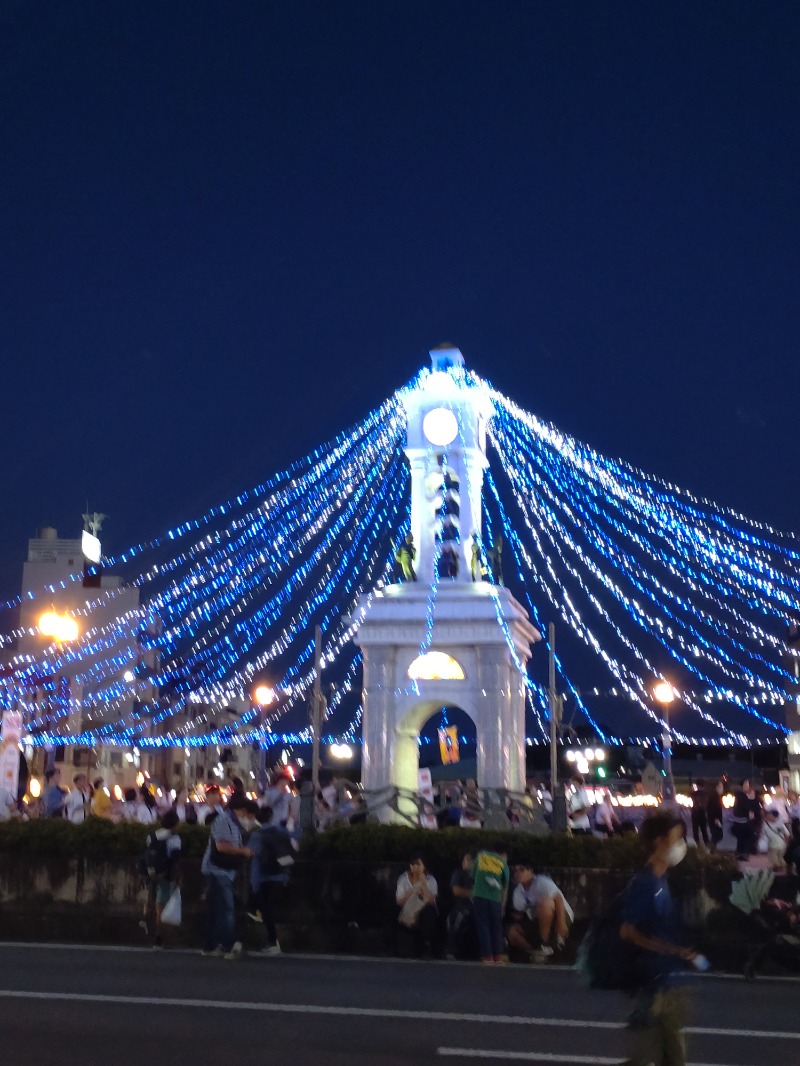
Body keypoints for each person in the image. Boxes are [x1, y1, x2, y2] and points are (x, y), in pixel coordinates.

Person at [620, 811, 699, 1066]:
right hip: (655, 984)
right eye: (676, 838)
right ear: (659, 842)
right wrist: (671, 951)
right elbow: (628, 932)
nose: (680, 846)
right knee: (651, 1056)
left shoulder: (661, 880)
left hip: (668, 980)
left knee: (669, 1054)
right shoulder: (646, 884)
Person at [200, 792, 255, 959]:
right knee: (226, 909)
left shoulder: (231, 821)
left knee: (216, 910)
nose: (247, 817)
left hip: (222, 870)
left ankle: (212, 945)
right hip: (218, 870)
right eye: (247, 813)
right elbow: (222, 846)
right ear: (242, 810)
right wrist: (243, 851)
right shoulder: (224, 820)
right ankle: (227, 945)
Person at [247, 806, 296, 955]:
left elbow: (253, 857)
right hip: (281, 874)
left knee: (265, 911)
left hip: (264, 877)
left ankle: (272, 942)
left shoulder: (257, 835)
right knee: (271, 911)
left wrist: (253, 884)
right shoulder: (282, 832)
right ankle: (273, 942)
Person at [507, 861, 573, 961]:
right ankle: (535, 952)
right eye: (516, 871)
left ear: (531, 872)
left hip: (561, 915)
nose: (518, 873)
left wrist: (561, 922)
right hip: (538, 920)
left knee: (545, 903)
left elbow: (558, 899)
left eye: (522, 870)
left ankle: (545, 943)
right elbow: (522, 914)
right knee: (512, 932)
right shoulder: (518, 892)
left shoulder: (542, 882)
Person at [139, 808, 182, 949]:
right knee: (161, 906)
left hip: (150, 872)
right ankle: (158, 938)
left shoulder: (152, 835)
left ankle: (145, 918)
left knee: (150, 895)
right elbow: (175, 859)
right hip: (165, 874)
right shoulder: (175, 838)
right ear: (174, 824)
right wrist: (178, 877)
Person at [471, 841, 510, 964]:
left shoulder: (481, 856)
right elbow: (505, 887)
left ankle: (487, 956)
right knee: (496, 927)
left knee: (483, 925)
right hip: (495, 899)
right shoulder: (503, 863)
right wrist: (503, 906)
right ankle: (498, 956)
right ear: (504, 854)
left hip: (479, 895)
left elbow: (473, 874)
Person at [395, 855, 438, 958]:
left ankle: (427, 946)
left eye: (418, 864)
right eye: (412, 864)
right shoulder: (403, 878)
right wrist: (413, 890)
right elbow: (399, 901)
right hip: (408, 911)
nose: (415, 867)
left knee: (429, 911)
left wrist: (423, 884)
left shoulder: (430, 879)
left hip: (424, 912)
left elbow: (432, 901)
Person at [446, 850, 475, 960]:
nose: (464, 862)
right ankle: (450, 949)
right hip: (462, 906)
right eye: (464, 860)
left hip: (477, 908)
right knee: (456, 917)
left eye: (467, 860)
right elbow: (456, 890)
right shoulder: (459, 873)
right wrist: (473, 893)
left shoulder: (480, 876)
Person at [732, 779, 761, 860]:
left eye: (747, 785)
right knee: (743, 837)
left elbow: (757, 807)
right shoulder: (740, 795)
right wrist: (749, 811)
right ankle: (741, 854)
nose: (747, 787)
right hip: (741, 820)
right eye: (745, 785)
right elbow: (744, 805)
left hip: (748, 821)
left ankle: (742, 853)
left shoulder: (753, 796)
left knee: (746, 837)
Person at [706, 780, 724, 852]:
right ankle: (710, 849)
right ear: (717, 788)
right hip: (714, 820)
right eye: (720, 787)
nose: (722, 789)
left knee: (716, 835)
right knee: (718, 835)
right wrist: (715, 818)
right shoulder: (714, 797)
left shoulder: (716, 797)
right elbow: (712, 809)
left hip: (714, 820)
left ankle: (711, 850)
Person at [690, 780, 709, 850]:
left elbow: (691, 802)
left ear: (697, 785)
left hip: (695, 814)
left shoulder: (693, 794)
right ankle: (707, 846)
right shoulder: (706, 794)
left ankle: (697, 846)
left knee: (695, 831)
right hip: (703, 814)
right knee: (704, 831)